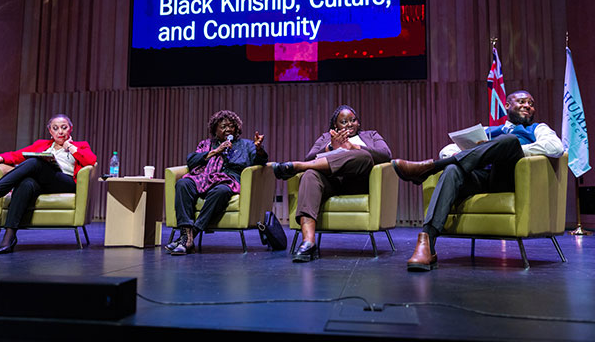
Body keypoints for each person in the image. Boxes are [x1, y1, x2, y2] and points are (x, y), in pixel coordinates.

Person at [392, 90, 564, 271]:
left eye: (531, 103)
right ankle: (427, 242)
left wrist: (517, 149)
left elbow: (555, 147)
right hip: (480, 179)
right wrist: (470, 153)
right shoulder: (489, 131)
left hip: (508, 179)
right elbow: (446, 150)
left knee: (510, 142)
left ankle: (429, 168)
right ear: (507, 105)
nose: (527, 106)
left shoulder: (537, 128)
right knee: (451, 169)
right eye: (521, 101)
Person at [273, 105, 392, 262]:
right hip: (332, 183)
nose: (349, 124)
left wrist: (354, 147)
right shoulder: (325, 138)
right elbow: (310, 157)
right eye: (344, 121)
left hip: (358, 183)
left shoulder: (371, 135)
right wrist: (331, 147)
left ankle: (297, 166)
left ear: (358, 122)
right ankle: (308, 242)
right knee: (309, 175)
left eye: (353, 120)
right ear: (336, 126)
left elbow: (386, 155)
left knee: (364, 156)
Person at [167, 110, 268, 255]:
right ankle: (185, 233)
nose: (228, 129)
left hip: (229, 179)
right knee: (183, 184)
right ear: (215, 129)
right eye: (223, 126)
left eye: (231, 126)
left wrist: (259, 149)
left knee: (221, 191)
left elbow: (261, 161)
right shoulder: (207, 144)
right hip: (204, 177)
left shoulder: (246, 145)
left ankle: (189, 236)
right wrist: (216, 151)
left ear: (236, 128)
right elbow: (191, 160)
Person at [0, 114, 97, 254]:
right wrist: (1, 157)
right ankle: (9, 237)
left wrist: (71, 148)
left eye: (64, 127)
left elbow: (91, 161)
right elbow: (19, 155)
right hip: (43, 182)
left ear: (70, 129)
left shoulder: (81, 145)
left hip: (65, 182)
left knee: (35, 162)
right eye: (55, 128)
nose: (60, 132)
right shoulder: (42, 145)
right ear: (50, 131)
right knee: (26, 183)